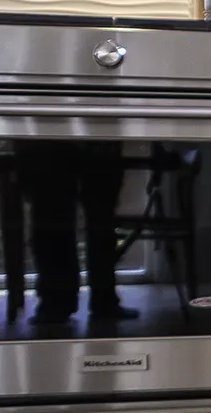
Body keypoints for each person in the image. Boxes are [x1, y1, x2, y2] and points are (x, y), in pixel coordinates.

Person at [18, 140, 134, 326]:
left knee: (53, 219)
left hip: (50, 136)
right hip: (96, 134)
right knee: (99, 222)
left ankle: (56, 302)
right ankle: (102, 299)